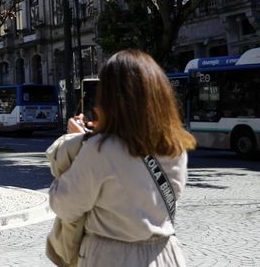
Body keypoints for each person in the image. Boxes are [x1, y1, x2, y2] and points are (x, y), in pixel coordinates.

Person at [48, 50, 196, 266]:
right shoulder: (174, 146)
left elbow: (64, 205)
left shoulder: (99, 151)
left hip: (111, 257)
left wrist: (77, 142)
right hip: (164, 255)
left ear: (109, 98)